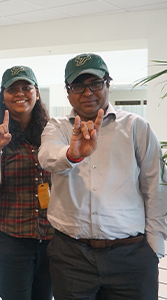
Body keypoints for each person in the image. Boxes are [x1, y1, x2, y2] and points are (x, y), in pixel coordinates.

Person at [38, 53, 167, 299]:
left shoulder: (136, 126)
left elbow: (156, 187)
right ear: (68, 92)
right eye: (78, 85)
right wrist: (72, 154)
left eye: (95, 83)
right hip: (71, 257)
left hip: (131, 256)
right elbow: (47, 156)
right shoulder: (58, 127)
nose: (87, 92)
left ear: (108, 84)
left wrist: (155, 249)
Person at [0, 66, 53, 300]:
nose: (20, 93)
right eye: (12, 89)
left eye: (26, 87)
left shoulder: (52, 132)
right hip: (12, 237)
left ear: (37, 93)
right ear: (3, 96)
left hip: (52, 237)